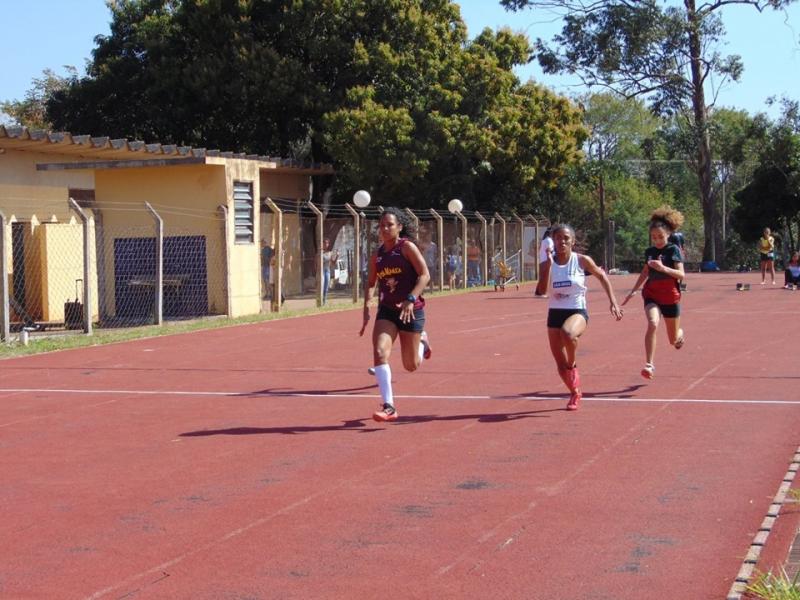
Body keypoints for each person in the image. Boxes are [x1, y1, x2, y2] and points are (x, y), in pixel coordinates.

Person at [360, 207, 432, 422]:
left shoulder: (406, 248)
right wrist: (366, 306)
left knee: (411, 365)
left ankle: (422, 343)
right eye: (381, 225)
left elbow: (424, 275)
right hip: (388, 311)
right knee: (380, 351)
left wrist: (411, 299)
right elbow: (372, 283)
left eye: (389, 224)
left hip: (411, 310)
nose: (384, 228)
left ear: (399, 227)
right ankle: (389, 406)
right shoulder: (378, 254)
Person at [544, 223, 623, 411]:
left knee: (569, 334)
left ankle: (573, 363)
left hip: (576, 310)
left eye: (565, 238)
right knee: (559, 364)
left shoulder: (581, 261)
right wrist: (546, 264)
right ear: (553, 241)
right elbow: (541, 289)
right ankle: (575, 392)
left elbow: (602, 276)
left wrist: (613, 301)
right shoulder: (549, 262)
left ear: (572, 241)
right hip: (554, 312)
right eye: (557, 238)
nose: (561, 241)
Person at [622, 207, 686, 380]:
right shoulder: (649, 252)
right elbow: (645, 272)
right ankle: (649, 364)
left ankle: (680, 335)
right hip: (652, 294)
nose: (657, 240)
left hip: (671, 296)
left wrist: (663, 268)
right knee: (653, 323)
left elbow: (681, 275)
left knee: (673, 340)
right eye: (654, 237)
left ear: (668, 235)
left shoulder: (673, 250)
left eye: (660, 237)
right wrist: (633, 291)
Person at [535, 228, 553, 298]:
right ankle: (542, 293)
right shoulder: (549, 240)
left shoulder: (544, 240)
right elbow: (549, 249)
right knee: (546, 277)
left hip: (542, 260)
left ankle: (538, 292)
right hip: (547, 260)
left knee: (543, 276)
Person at [321, 237, 338, 305]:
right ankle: (320, 300)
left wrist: (337, 256)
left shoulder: (330, 253)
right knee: (321, 286)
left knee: (326, 287)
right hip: (321, 271)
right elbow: (315, 262)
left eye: (327, 243)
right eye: (324, 243)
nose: (326, 244)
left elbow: (333, 263)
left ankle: (324, 301)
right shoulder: (320, 252)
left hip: (327, 270)